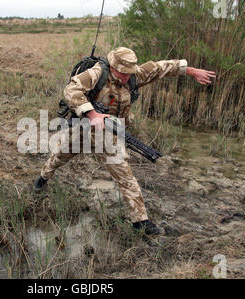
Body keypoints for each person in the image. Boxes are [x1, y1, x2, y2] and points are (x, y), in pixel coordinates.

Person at [34, 47, 216, 235]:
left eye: (128, 73)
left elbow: (160, 68)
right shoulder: (97, 73)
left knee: (124, 173)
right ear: (113, 67)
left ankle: (140, 222)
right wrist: (92, 113)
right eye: (122, 73)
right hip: (84, 127)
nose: (126, 77)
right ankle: (43, 178)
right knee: (59, 156)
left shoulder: (134, 75)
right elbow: (71, 90)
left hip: (109, 134)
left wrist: (191, 70)